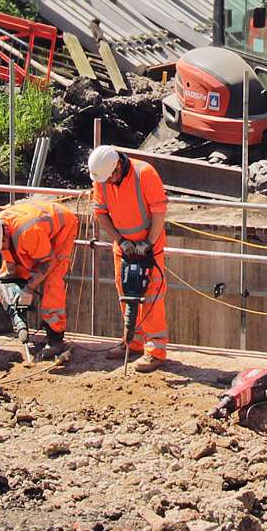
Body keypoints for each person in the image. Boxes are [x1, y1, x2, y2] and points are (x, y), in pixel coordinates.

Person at [88, 144, 170, 368]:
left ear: (118, 166)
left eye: (110, 178)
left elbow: (159, 212)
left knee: (151, 296)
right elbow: (101, 213)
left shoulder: (144, 173)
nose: (108, 183)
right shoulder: (102, 179)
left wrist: (148, 243)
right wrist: (120, 240)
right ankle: (132, 341)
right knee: (126, 292)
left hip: (149, 248)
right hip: (124, 248)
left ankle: (155, 350)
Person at [0, 196, 81, 360]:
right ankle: (1, 318)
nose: (2, 248)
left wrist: (29, 287)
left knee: (52, 282)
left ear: (5, 234)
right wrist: (9, 280)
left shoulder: (28, 233)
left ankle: (55, 338)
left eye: (2, 245)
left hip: (62, 228)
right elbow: (9, 259)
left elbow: (48, 262)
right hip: (35, 231)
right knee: (8, 272)